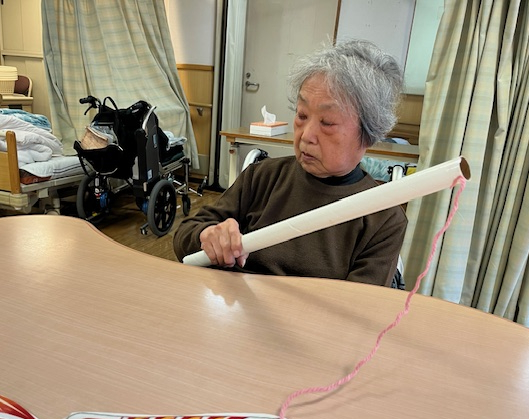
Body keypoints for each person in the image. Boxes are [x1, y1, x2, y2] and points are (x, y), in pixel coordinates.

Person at [173, 40, 407, 286]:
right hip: (237, 304)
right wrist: (208, 236)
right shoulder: (262, 176)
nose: (306, 135)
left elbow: (361, 303)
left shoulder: (383, 217)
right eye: (302, 115)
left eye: (327, 122)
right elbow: (184, 237)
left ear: (368, 133)